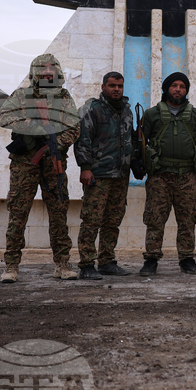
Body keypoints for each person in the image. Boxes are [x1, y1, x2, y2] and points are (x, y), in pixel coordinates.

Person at [0, 54, 81, 283]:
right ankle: (11, 266)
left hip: (53, 161)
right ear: (35, 71)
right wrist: (34, 127)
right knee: (18, 213)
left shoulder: (63, 98)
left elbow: (75, 128)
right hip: (25, 163)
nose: (47, 71)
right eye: (43, 68)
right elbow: (2, 117)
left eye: (52, 68)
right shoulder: (23, 95)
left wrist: (58, 143)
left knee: (59, 213)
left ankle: (62, 264)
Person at [138, 72, 196, 276]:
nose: (178, 89)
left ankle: (187, 258)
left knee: (188, 219)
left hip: (187, 176)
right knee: (155, 219)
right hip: (159, 176)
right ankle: (151, 259)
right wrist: (137, 164)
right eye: (174, 85)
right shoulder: (152, 114)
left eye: (182, 86)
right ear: (166, 89)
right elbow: (138, 142)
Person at [73, 71, 134, 280]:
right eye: (112, 86)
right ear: (103, 87)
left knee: (113, 220)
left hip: (120, 175)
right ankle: (87, 264)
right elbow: (83, 140)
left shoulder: (126, 110)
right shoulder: (92, 109)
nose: (116, 89)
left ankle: (107, 261)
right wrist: (85, 167)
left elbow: (128, 140)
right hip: (98, 175)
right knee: (91, 220)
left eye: (120, 86)